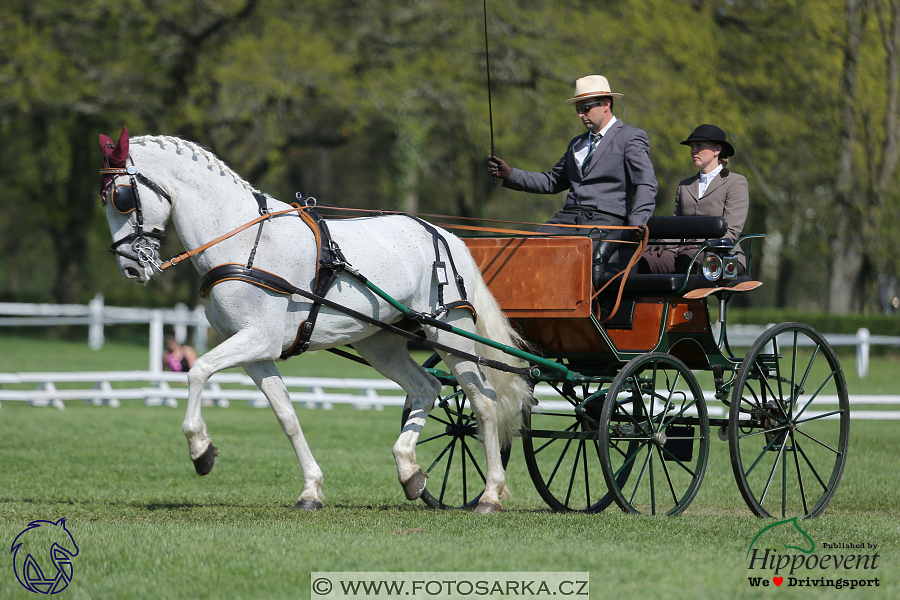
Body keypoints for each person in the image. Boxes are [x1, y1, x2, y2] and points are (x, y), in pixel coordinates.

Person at [487, 75, 658, 272]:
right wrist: (509, 174)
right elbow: (552, 181)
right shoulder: (577, 144)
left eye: (586, 108)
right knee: (529, 250)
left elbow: (646, 183)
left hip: (606, 220)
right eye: (578, 109)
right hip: (567, 218)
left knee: (579, 260)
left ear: (605, 104)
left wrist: (637, 223)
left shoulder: (630, 137)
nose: (580, 114)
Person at [638, 124, 749, 275]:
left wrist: (703, 246)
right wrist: (663, 242)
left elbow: (732, 231)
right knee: (644, 260)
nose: (693, 151)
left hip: (722, 254)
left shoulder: (734, 182)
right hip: (682, 251)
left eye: (699, 145)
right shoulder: (685, 185)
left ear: (717, 150)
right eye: (691, 146)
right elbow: (677, 225)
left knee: (690, 259)